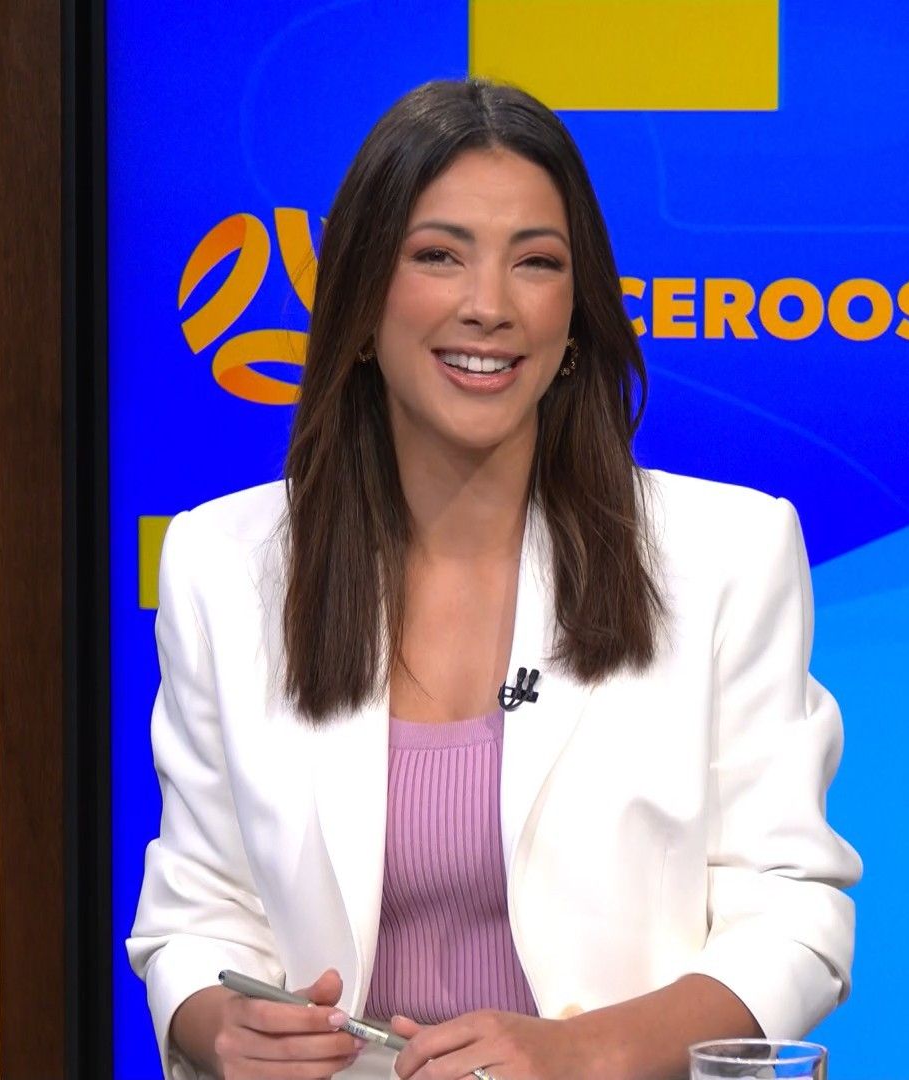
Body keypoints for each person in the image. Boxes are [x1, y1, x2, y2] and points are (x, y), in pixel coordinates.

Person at [128, 78, 861, 1080]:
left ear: (576, 314)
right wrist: (220, 1026)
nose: (489, 306)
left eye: (537, 262)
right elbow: (194, 914)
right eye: (439, 255)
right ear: (361, 301)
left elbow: (792, 914)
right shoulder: (224, 562)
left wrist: (579, 1053)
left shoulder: (727, 552)